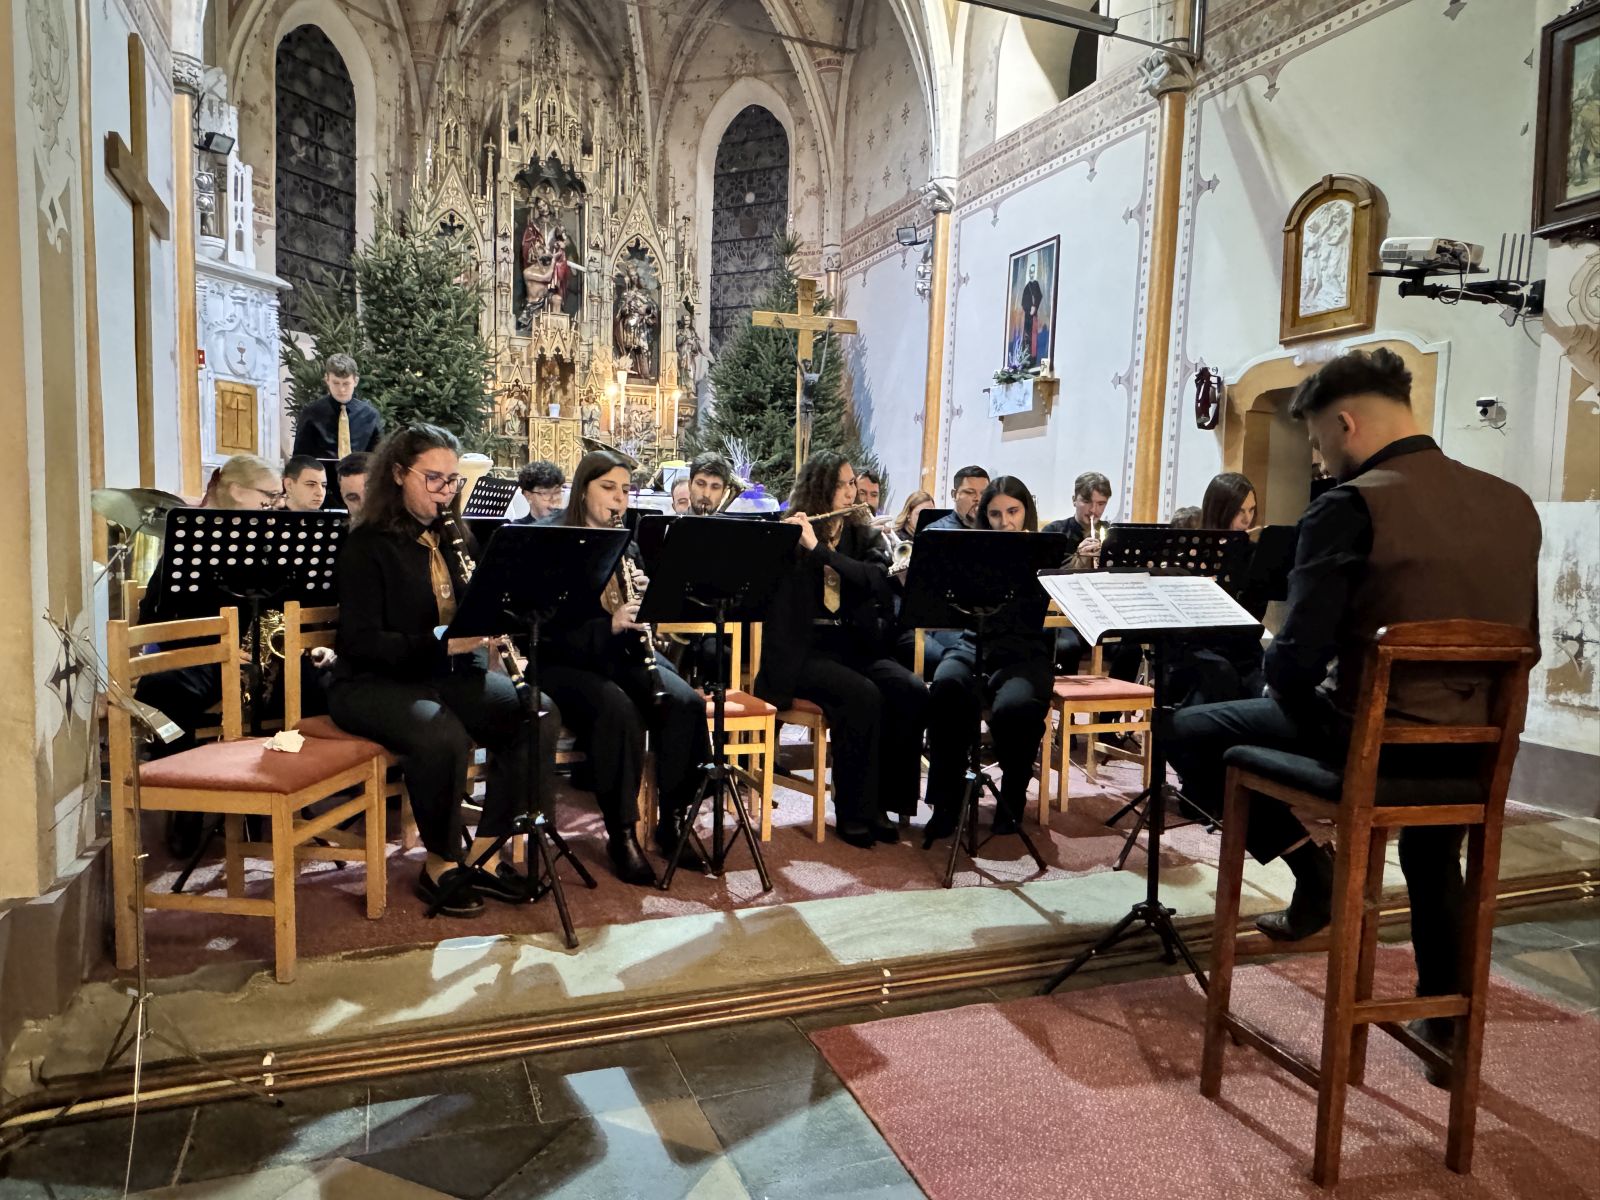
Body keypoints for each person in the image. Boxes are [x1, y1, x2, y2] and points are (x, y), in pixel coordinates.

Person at [1165, 349, 1539, 1062]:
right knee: (1434, 848)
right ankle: (1445, 1021)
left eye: (1316, 442)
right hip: (1474, 753)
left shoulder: (1348, 505)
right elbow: (1527, 641)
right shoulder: (1512, 503)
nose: (1320, 458)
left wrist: (1297, 699)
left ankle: (1315, 874)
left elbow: (1295, 661)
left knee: (1189, 729)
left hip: (1369, 743)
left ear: (1345, 423)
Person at [325, 425, 561, 918]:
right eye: (434, 479)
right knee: (441, 733)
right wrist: (444, 643)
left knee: (535, 711)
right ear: (397, 474)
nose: (446, 492)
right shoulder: (366, 545)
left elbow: (470, 613)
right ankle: (440, 861)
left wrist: (493, 619)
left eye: (452, 481)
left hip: (445, 675)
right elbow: (362, 643)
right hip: (371, 683)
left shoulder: (454, 537)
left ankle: (486, 852)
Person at [540, 451, 711, 885]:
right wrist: (611, 624)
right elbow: (547, 631)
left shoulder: (626, 539)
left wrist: (647, 600)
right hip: (566, 661)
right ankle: (622, 834)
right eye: (608, 488)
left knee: (686, 703)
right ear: (583, 490)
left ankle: (671, 822)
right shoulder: (554, 540)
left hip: (619, 652)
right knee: (619, 711)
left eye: (624, 490)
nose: (619, 499)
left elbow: (642, 609)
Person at [754, 451, 928, 847]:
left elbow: (877, 579)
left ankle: (885, 803)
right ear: (820, 488)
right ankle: (854, 810)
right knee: (862, 695)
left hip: (854, 646)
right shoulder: (790, 534)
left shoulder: (861, 533)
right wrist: (799, 544)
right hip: (803, 652)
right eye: (843, 485)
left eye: (853, 484)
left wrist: (823, 552)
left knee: (909, 689)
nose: (853, 492)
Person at [135, 454, 287, 856]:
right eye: (268, 496)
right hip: (199, 654)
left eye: (277, 498)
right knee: (167, 689)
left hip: (256, 654)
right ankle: (188, 804)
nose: (275, 505)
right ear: (236, 491)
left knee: (313, 682)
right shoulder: (190, 541)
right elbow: (154, 616)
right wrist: (216, 648)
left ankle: (278, 797)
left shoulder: (273, 543)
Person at [922, 477, 1054, 840]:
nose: (1004, 522)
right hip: (974, 643)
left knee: (1016, 706)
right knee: (946, 685)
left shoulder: (1044, 553)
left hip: (1024, 652)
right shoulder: (970, 551)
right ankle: (946, 803)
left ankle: (1012, 797)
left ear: (1026, 512)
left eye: (1013, 512)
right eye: (995, 514)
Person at [1169, 472, 1267, 710]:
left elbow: (1256, 615)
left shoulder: (1254, 554)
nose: (1247, 519)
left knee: (1267, 688)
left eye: (1251, 510)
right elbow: (1181, 621)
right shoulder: (1193, 553)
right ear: (1220, 511)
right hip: (1198, 647)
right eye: (1239, 511)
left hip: (1242, 647)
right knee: (1222, 676)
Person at [291, 353, 383, 459]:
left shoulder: (370, 415)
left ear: (355, 381)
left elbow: (379, 456)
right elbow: (300, 457)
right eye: (336, 383)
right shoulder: (311, 413)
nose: (341, 389)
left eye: (346, 383)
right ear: (327, 379)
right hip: (322, 469)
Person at [926, 466, 989, 531]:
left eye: (984, 493)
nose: (979, 498)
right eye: (970, 492)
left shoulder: (993, 527)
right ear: (954, 495)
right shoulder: (935, 530)